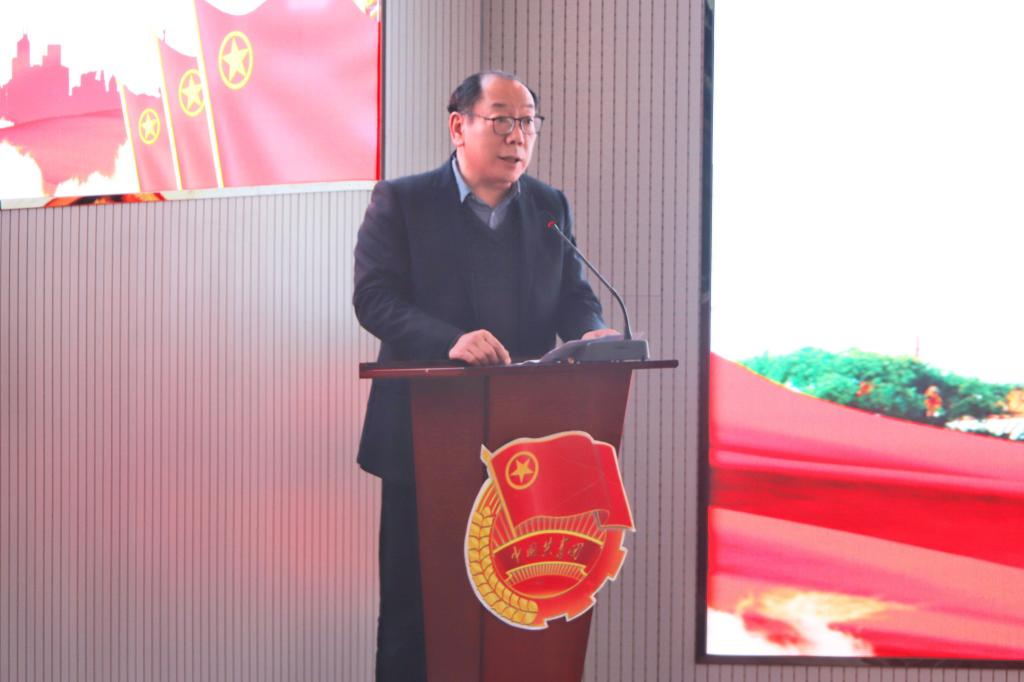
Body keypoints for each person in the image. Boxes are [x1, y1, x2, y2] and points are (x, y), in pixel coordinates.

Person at [353, 70, 617, 681]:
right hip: (424, 440)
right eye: (502, 120)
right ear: (458, 127)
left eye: (527, 122)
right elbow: (374, 298)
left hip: (523, 447)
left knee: (515, 607)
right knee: (416, 613)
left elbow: (573, 298)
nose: (517, 136)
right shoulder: (403, 201)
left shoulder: (549, 208)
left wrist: (593, 331)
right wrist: (449, 341)